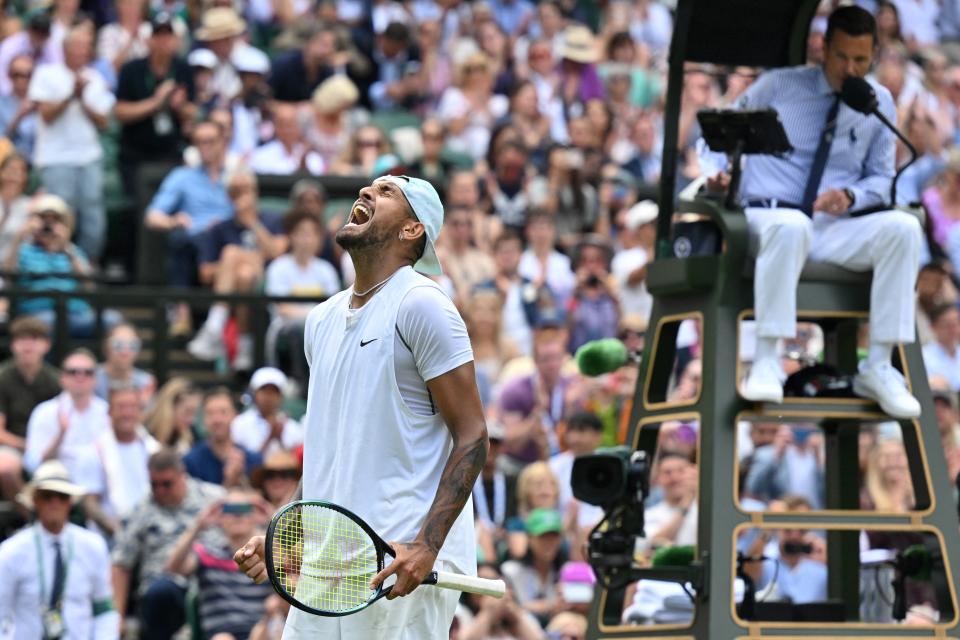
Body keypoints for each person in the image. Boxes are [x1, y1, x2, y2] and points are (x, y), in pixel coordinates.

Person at [234, 175, 488, 638]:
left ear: (412, 231)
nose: (366, 193)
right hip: (326, 565)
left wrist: (425, 546)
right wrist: (287, 537)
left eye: (387, 192)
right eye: (367, 187)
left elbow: (472, 435)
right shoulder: (320, 320)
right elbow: (329, 450)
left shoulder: (423, 305)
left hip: (397, 566)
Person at [721, 6, 923, 418]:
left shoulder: (877, 102)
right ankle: (766, 357)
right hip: (769, 218)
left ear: (874, 56)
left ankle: (880, 365)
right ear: (823, 49)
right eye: (841, 57)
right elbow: (719, 131)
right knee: (792, 225)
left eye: (860, 60)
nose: (850, 68)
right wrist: (716, 177)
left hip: (831, 228)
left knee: (904, 227)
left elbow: (882, 180)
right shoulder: (778, 85)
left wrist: (851, 196)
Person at [111, 448, 224, 640]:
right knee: (162, 592)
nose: (160, 491)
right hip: (161, 593)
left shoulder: (213, 499)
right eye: (154, 484)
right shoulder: (142, 511)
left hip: (211, 586)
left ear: (182, 476)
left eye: (167, 484)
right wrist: (117, 618)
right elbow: (121, 564)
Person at [0, 460, 119, 639]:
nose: (55, 503)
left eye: (62, 496)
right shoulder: (11, 551)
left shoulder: (93, 546)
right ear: (35, 499)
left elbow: (104, 609)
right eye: (48, 495)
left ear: (70, 502)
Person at [29, 25, 115, 262]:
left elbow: (103, 122)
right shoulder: (46, 74)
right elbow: (46, 114)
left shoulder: (94, 78)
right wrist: (70, 95)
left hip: (89, 157)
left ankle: (85, 271)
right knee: (58, 218)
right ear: (65, 49)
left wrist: (83, 98)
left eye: (86, 47)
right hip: (56, 158)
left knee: (94, 221)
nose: (83, 51)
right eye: (78, 46)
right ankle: (55, 269)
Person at [165, 491, 273, 640]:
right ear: (219, 518)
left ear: (256, 515)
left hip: (262, 630)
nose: (238, 516)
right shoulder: (207, 552)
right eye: (230, 510)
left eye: (244, 509)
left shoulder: (270, 554)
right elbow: (173, 567)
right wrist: (198, 526)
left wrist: (275, 520)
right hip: (220, 633)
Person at [24, 348, 110, 496]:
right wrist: (60, 435)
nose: (80, 377)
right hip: (58, 490)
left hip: (99, 488)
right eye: (73, 372)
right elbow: (33, 465)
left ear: (95, 379)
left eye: (87, 372)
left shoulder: (106, 412)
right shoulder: (44, 412)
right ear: (62, 378)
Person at [85, 385, 160, 536]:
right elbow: (89, 502)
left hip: (151, 532)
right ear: (110, 412)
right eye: (121, 407)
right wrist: (114, 528)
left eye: (132, 407)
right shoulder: (94, 451)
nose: (127, 413)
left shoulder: (155, 450)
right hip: (110, 535)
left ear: (140, 411)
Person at [0, 316, 60, 501]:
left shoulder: (55, 380)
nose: (28, 345)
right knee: (5, 468)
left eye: (34, 339)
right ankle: (31, 512)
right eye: (21, 339)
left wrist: (44, 448)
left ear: (46, 345)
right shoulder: (2, 377)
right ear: (13, 345)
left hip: (50, 446)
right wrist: (26, 445)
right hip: (14, 445)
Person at [184, 387, 261, 487]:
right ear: (203, 419)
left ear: (235, 415)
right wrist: (229, 481)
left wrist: (241, 478)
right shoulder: (190, 462)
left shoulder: (253, 460)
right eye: (210, 413)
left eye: (223, 412)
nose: (217, 420)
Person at [231, 367, 304, 456]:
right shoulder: (240, 423)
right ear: (254, 394)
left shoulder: (292, 427)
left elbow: (297, 463)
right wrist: (270, 437)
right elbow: (243, 463)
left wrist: (279, 437)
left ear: (281, 397)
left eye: (274, 392)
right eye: (264, 391)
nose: (268, 397)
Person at [94, 322, 156, 402]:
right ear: (106, 347)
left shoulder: (145, 382)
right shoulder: (90, 376)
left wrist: (140, 407)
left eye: (133, 345)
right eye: (118, 345)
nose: (125, 352)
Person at [922, 303, 960, 390]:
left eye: (956, 323)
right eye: (947, 324)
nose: (954, 329)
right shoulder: (924, 356)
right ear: (933, 327)